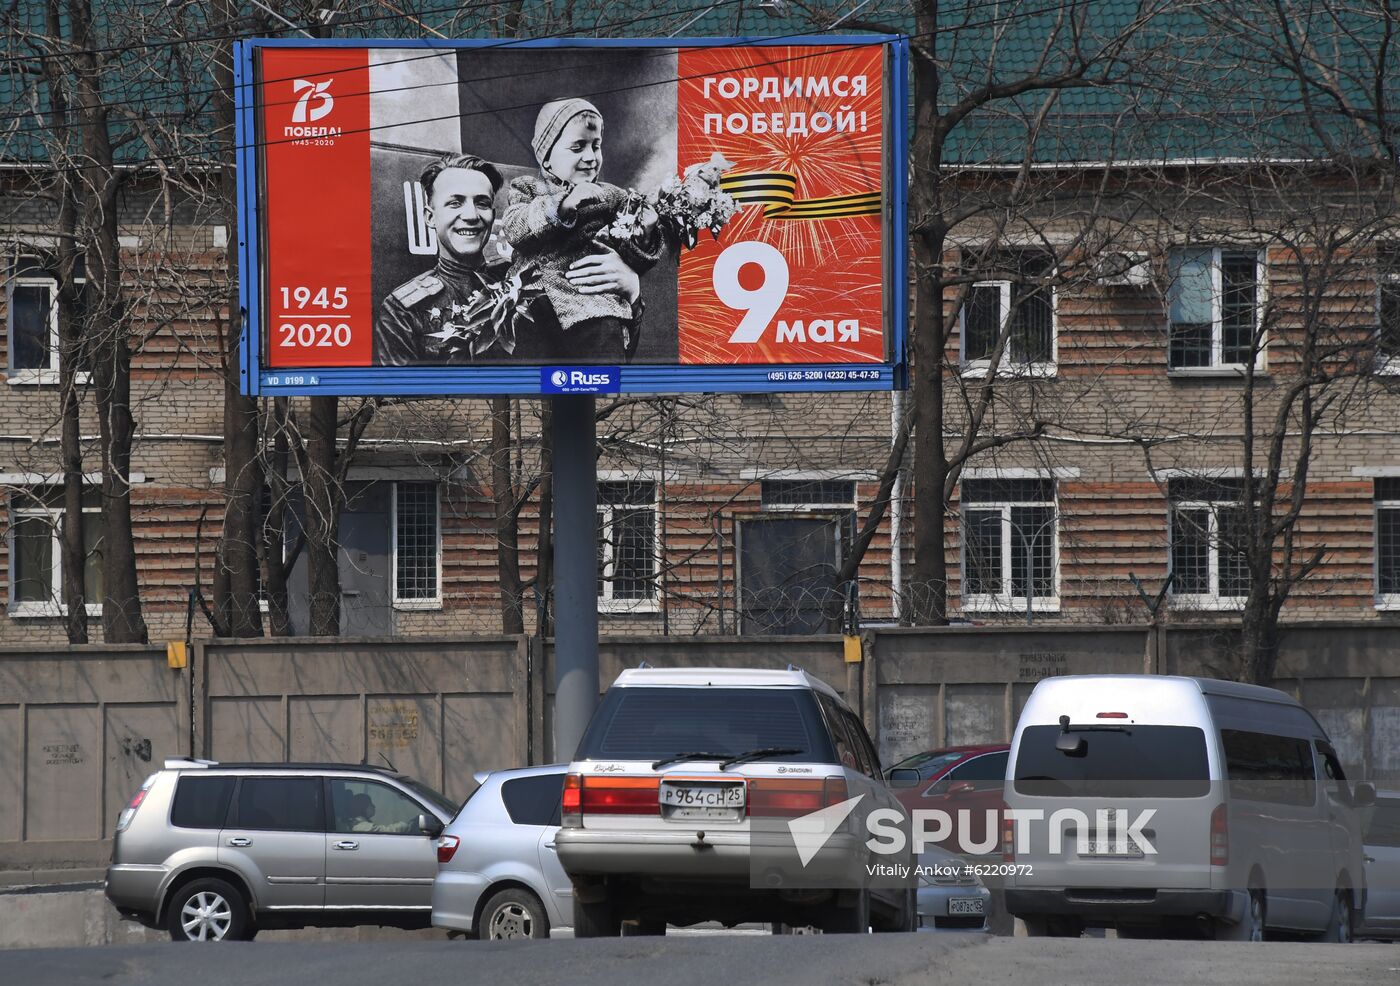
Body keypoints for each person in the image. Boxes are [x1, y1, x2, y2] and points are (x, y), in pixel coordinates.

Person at [500, 98, 659, 363]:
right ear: (547, 158)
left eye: (596, 146)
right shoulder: (528, 188)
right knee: (527, 346)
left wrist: (644, 232)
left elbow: (632, 259)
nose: (590, 157)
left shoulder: (613, 196)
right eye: (578, 147)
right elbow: (515, 227)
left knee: (606, 337)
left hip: (595, 304)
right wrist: (563, 205)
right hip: (537, 300)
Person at [375, 154, 509, 365]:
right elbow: (401, 396)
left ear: (493, 215)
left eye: (482, 203)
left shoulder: (517, 280)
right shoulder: (402, 310)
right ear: (430, 217)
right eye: (455, 203)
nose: (472, 215)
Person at [345, 791, 413, 834]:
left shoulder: (359, 823)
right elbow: (388, 831)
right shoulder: (362, 827)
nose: (374, 806)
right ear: (363, 807)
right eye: (370, 804)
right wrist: (407, 825)